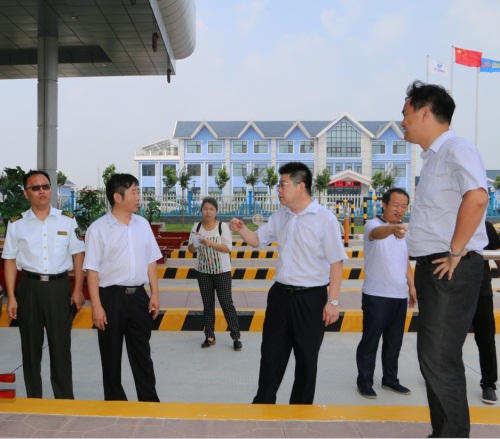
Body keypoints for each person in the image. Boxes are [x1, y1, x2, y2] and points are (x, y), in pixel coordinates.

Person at [403, 80, 488, 438]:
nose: (403, 121)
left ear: (425, 112)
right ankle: (445, 432)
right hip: (435, 269)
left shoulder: (456, 149)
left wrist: (455, 250)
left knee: (439, 358)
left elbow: (478, 197)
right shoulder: (434, 157)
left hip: (450, 267)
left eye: (406, 113)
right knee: (434, 358)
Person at [229, 161, 347, 405]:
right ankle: (264, 405)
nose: (279, 190)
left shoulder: (324, 219)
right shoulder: (279, 216)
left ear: (300, 186)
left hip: (311, 299)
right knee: (271, 355)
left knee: (306, 360)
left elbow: (336, 262)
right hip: (280, 297)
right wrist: (241, 229)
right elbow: (257, 240)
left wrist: (333, 302)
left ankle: (300, 413)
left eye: (283, 185)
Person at [2, 169, 85, 399]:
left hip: (59, 288)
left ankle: (64, 400)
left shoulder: (67, 219)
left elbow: (78, 255)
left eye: (46, 186)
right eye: (35, 187)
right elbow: (9, 260)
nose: (42, 191)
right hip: (29, 288)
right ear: (26, 193)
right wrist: (12, 296)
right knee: (30, 349)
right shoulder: (17, 224)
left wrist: (78, 289)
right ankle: (34, 399)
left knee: (61, 348)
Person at [83, 173, 161, 402]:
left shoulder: (142, 224)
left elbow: (151, 261)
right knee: (111, 355)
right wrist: (96, 307)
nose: (138, 197)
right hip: (111, 298)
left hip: (138, 297)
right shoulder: (98, 229)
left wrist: (155, 294)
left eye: (138, 191)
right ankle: (115, 403)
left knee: (142, 355)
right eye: (133, 192)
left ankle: (149, 402)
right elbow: (92, 270)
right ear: (117, 197)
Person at [356, 188, 417, 399]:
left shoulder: (403, 231)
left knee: (394, 343)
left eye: (404, 206)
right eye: (395, 205)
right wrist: (392, 229)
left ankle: (390, 379)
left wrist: (412, 287)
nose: (399, 210)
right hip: (376, 295)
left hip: (399, 296)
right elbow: (377, 234)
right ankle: (365, 382)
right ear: (384, 204)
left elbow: (404, 260)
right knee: (370, 341)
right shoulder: (372, 225)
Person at [187, 197, 242, 350]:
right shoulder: (197, 226)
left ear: (216, 211)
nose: (208, 212)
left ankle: (236, 336)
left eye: (211, 209)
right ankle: (210, 336)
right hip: (203, 271)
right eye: (205, 209)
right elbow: (190, 249)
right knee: (208, 305)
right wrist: (195, 243)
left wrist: (210, 243)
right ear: (201, 211)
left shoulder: (222, 226)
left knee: (226, 303)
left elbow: (228, 248)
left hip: (221, 271)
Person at [472, 220, 499, 404]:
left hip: (482, 292)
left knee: (486, 339)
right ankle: (442, 378)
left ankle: (489, 384)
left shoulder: (486, 226)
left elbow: (497, 254)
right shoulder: (450, 222)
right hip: (454, 293)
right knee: (451, 340)